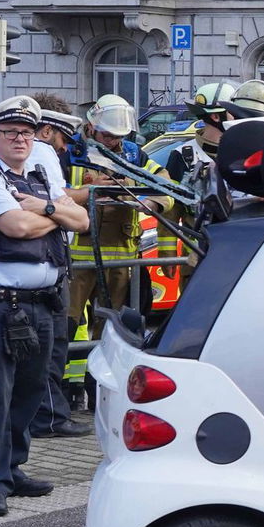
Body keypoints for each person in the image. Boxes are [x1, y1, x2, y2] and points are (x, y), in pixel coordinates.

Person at [0, 100, 90, 517]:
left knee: (27, 393)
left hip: (44, 303)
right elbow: (15, 227)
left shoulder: (39, 177)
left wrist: (43, 208)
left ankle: (11, 468)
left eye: (26, 133)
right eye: (10, 132)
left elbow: (83, 222)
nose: (20, 139)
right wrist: (57, 215)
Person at [65, 94, 169, 345]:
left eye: (119, 137)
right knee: (68, 324)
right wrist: (90, 191)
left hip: (121, 259)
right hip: (77, 260)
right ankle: (69, 383)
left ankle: (98, 381)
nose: (113, 142)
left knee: (113, 332)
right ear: (91, 126)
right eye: (108, 136)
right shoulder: (69, 152)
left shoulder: (134, 155)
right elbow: (53, 194)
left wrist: (152, 202)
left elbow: (164, 181)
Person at [28, 101, 92, 439]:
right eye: (61, 138)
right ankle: (49, 418)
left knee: (49, 344)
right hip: (50, 257)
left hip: (47, 257)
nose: (65, 147)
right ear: (47, 130)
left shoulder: (32, 153)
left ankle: (47, 416)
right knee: (51, 344)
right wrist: (89, 193)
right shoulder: (41, 152)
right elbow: (64, 207)